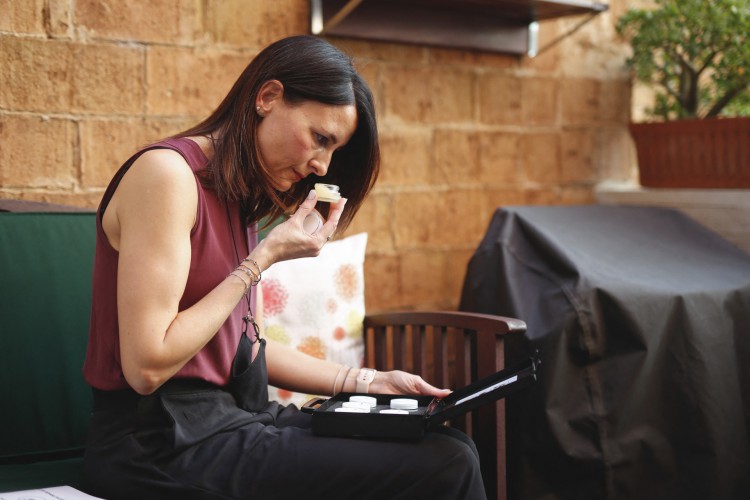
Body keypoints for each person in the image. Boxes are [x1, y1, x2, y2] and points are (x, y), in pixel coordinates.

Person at [82, 35, 487, 500]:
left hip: (233, 421)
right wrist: (261, 261)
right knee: (444, 465)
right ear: (268, 96)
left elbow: (237, 350)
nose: (321, 165)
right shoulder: (168, 176)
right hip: (157, 446)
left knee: (447, 442)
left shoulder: (236, 196)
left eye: (333, 150)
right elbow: (146, 367)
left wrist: (369, 382)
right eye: (320, 139)